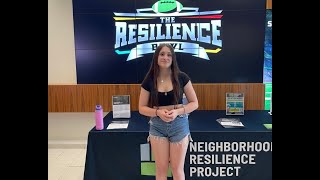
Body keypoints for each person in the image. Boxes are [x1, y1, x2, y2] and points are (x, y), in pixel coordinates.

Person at [139, 43, 198, 180]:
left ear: (173, 58)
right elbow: (141, 108)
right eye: (162, 54)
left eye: (169, 55)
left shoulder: (182, 77)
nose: (165, 57)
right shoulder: (149, 80)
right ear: (156, 57)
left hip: (179, 126)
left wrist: (178, 112)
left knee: (177, 170)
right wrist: (157, 113)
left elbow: (195, 103)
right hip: (157, 127)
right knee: (161, 170)